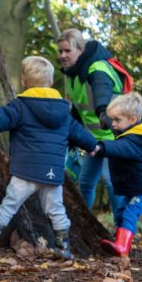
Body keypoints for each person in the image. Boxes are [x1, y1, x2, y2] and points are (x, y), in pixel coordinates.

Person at [0, 56, 97, 260]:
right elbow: (80, 133)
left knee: (9, 206)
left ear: (25, 82)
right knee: (56, 209)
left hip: (25, 171)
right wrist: (93, 145)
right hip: (52, 172)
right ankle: (63, 247)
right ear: (51, 82)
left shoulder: (21, 106)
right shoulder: (63, 111)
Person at [57, 29, 125, 215]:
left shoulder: (97, 68)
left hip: (114, 136)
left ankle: (122, 232)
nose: (62, 55)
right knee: (86, 183)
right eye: (60, 51)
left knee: (113, 183)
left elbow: (101, 88)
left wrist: (103, 110)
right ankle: (84, 221)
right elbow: (79, 109)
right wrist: (73, 135)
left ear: (80, 50)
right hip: (93, 139)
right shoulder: (73, 75)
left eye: (67, 51)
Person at [93, 93, 142, 258]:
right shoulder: (130, 130)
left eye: (117, 120)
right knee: (120, 210)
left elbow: (119, 148)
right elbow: (118, 137)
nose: (113, 124)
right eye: (112, 120)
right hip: (135, 186)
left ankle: (123, 246)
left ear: (132, 120)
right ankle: (119, 238)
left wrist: (100, 147)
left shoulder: (134, 139)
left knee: (130, 212)